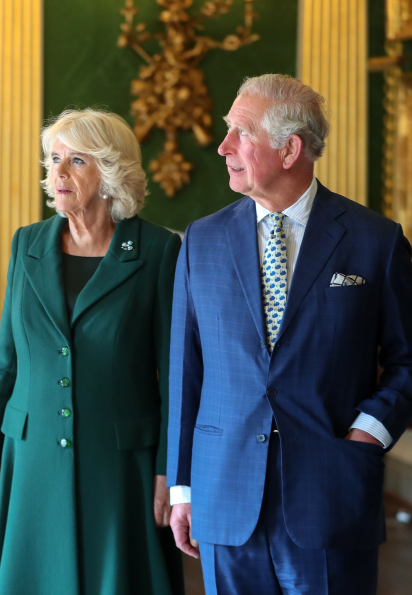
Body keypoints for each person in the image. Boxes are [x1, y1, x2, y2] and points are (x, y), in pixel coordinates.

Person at [167, 74, 412, 595]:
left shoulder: (377, 241)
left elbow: (409, 360)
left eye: (241, 131)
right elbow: (185, 370)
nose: (223, 145)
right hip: (225, 492)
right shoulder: (201, 241)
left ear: (289, 149)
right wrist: (183, 485)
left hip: (331, 490)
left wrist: (369, 432)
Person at [0, 108, 184, 595]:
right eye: (53, 159)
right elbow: (7, 359)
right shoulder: (27, 245)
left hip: (122, 463)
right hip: (30, 454)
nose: (58, 173)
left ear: (111, 172)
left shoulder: (157, 251)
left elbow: (175, 374)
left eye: (76, 160)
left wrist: (168, 470)